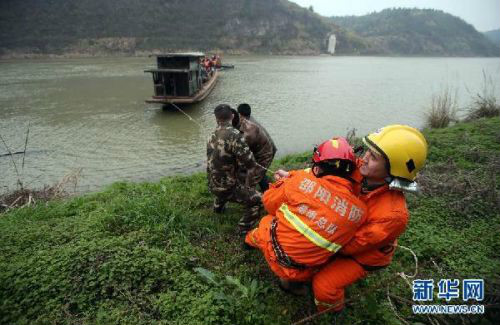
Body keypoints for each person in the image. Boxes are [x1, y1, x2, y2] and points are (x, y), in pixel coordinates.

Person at [312, 125, 428, 312]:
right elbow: (324, 173)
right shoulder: (359, 169)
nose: (364, 158)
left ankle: (332, 310)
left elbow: (352, 246)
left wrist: (321, 242)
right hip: (342, 234)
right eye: (368, 151)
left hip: (363, 255)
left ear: (393, 169)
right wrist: (293, 178)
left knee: (324, 286)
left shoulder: (393, 215)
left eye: (373, 157)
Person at [245, 137, 367, 291]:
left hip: (275, 253)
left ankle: (248, 242)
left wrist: (282, 185)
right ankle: (290, 286)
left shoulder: (300, 182)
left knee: (266, 222)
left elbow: (269, 203)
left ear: (316, 169)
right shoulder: (360, 212)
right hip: (306, 269)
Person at [207, 104, 262, 235]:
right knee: (259, 200)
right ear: (232, 116)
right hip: (227, 187)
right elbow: (250, 163)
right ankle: (243, 228)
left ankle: (218, 208)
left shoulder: (211, 135)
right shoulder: (235, 135)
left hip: (211, 183)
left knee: (223, 176)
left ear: (216, 119)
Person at [236, 103, 277, 192]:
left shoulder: (249, 128)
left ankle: (267, 194)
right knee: (259, 172)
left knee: (257, 173)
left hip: (267, 153)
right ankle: (267, 190)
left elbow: (243, 149)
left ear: (240, 114)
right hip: (268, 149)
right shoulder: (250, 120)